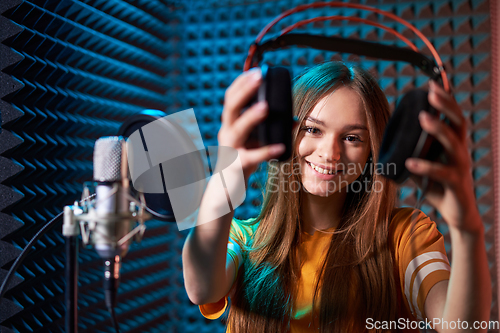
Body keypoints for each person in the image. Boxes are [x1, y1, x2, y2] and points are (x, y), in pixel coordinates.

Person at [182, 62, 491, 332]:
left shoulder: (404, 236)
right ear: (284, 134)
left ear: (375, 151)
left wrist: (467, 228)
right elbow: (201, 287)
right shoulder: (242, 237)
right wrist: (227, 173)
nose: (330, 153)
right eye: (313, 130)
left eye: (352, 137)